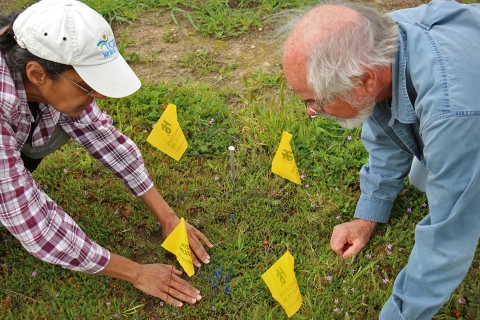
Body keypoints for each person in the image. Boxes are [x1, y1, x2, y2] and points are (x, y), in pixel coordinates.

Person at [0, 0, 212, 307]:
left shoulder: (38, 75)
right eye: (87, 86)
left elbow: (103, 137)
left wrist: (167, 217)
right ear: (36, 73)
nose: (97, 96)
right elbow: (34, 225)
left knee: (71, 116)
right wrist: (136, 272)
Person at [280, 0, 480, 319]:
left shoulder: (451, 111)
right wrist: (366, 218)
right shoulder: (373, 44)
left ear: (365, 81)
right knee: (424, 174)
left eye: (316, 101)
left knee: (455, 190)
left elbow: (448, 240)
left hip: (467, 108)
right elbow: (387, 130)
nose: (311, 111)